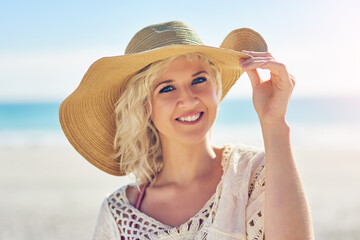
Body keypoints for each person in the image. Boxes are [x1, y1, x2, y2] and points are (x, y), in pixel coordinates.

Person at [59, 21, 314, 239]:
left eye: (199, 80)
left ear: (216, 88)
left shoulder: (255, 173)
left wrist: (274, 124)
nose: (190, 99)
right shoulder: (118, 213)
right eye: (167, 88)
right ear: (145, 106)